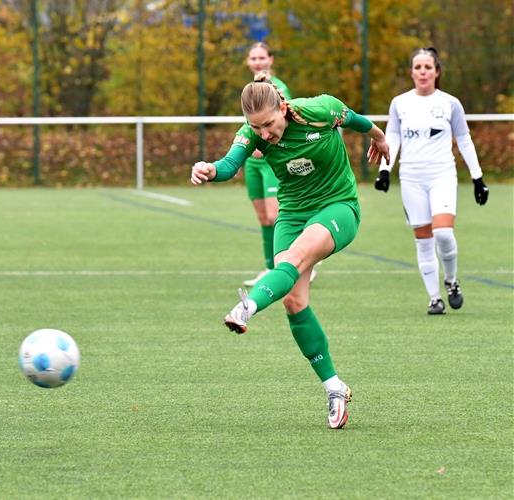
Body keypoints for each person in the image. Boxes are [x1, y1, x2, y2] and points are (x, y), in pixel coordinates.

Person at [190, 73, 390, 429]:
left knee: (295, 260)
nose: (263, 134)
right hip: (293, 214)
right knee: (294, 301)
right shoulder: (252, 132)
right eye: (257, 127)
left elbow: (355, 119)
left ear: (283, 107)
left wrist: (378, 136)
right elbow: (230, 164)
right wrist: (209, 168)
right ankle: (334, 388)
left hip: (337, 206)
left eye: (268, 124)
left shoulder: (320, 110)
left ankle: (247, 305)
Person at [374, 47, 489, 315]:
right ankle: (434, 298)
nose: (423, 72)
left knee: (444, 234)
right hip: (411, 178)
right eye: (418, 67)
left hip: (442, 175)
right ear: (411, 72)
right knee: (424, 241)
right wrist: (384, 170)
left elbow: (464, 139)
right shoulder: (400, 103)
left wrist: (477, 177)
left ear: (437, 72)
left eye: (428, 67)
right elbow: (393, 137)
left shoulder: (450, 103)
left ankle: (451, 281)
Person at [241, 42, 300, 287]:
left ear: (271, 60)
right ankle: (269, 268)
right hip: (253, 163)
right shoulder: (250, 90)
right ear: (248, 61)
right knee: (264, 218)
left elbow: (286, 125)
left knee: (277, 216)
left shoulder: (278, 88)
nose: (257, 62)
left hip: (270, 162)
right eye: (253, 58)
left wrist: (266, 146)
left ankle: (297, 261)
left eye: (262, 57)